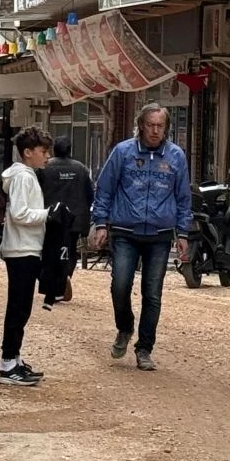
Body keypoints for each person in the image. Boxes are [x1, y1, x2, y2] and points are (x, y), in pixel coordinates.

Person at [90, 103, 192, 372]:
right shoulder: (122, 152)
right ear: (141, 125)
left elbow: (183, 197)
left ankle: (144, 348)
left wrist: (183, 232)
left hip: (160, 235)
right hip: (125, 231)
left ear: (166, 128)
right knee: (120, 285)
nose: (155, 131)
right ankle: (124, 327)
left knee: (153, 293)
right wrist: (100, 223)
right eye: (150, 125)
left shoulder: (176, 156)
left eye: (160, 126)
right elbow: (105, 188)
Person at [0, 126, 61, 385]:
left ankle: (14, 358)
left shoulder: (25, 175)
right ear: (28, 152)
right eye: (43, 152)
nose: (47, 156)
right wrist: (48, 214)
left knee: (21, 307)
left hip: (25, 247)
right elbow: (20, 213)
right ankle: (8, 363)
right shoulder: (23, 177)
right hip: (22, 248)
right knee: (18, 307)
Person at [38, 136, 94, 300]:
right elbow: (90, 194)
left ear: (54, 149)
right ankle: (65, 275)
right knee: (70, 250)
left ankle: (55, 284)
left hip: (51, 217)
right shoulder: (81, 169)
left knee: (50, 250)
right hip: (74, 218)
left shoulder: (44, 168)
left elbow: (36, 191)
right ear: (70, 150)